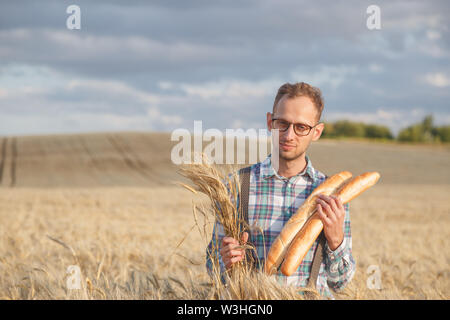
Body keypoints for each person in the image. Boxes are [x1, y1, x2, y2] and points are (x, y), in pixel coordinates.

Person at [206, 82, 356, 299]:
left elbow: (341, 283)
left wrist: (336, 241)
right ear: (270, 121)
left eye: (301, 127)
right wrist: (225, 262)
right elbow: (213, 266)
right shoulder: (235, 187)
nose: (289, 135)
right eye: (282, 123)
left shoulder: (333, 195)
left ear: (317, 132)